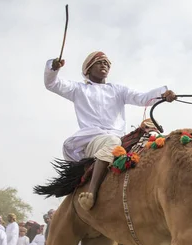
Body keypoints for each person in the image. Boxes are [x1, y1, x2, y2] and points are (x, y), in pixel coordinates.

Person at [44, 51, 176, 210]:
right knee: (113, 142)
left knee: (153, 144)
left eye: (106, 63)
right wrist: (53, 67)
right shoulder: (78, 89)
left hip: (119, 138)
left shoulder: (118, 90)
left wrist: (163, 94)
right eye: (99, 63)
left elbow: (142, 98)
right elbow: (52, 84)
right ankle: (91, 194)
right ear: (88, 69)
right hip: (94, 139)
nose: (104, 66)